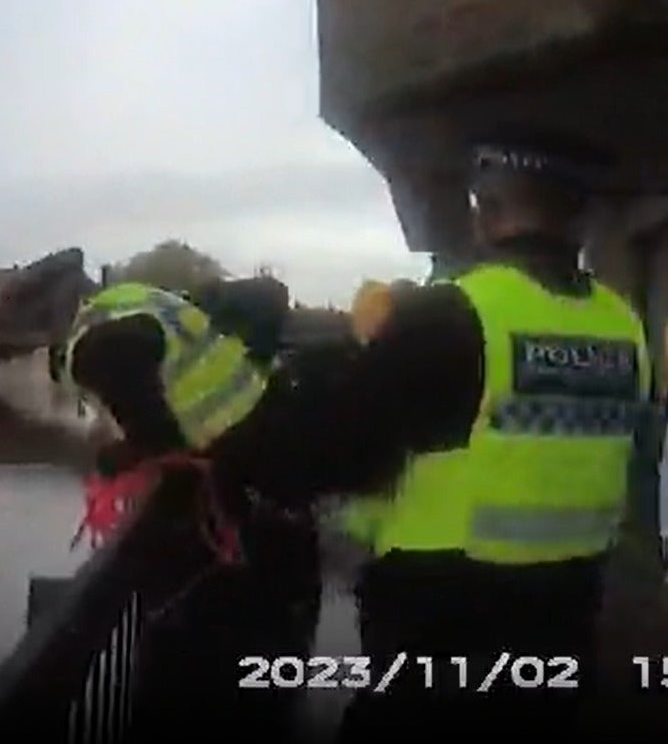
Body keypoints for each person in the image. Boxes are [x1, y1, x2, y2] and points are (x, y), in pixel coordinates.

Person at [206, 132, 661, 738]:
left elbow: (324, 453)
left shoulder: (452, 313)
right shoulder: (623, 326)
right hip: (565, 620)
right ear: (578, 218)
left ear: (486, 212)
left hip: (443, 622)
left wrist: (240, 440)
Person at [49, 276, 322, 736]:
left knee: (206, 666)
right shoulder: (134, 301)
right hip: (274, 469)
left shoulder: (97, 348)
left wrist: (120, 457)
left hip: (245, 502)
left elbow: (159, 437)